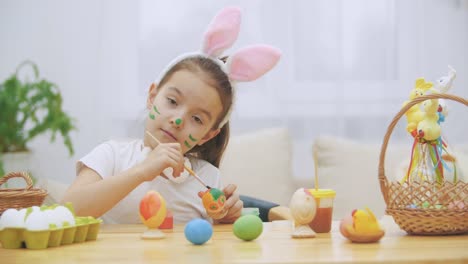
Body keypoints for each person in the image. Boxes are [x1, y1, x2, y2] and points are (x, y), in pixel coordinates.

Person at [62, 6, 281, 224]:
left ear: (207, 135)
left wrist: (226, 219)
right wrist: (141, 172)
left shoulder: (207, 178)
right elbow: (68, 210)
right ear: (152, 96)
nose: (178, 120)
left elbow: (214, 248)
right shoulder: (111, 155)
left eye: (197, 119)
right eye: (173, 101)